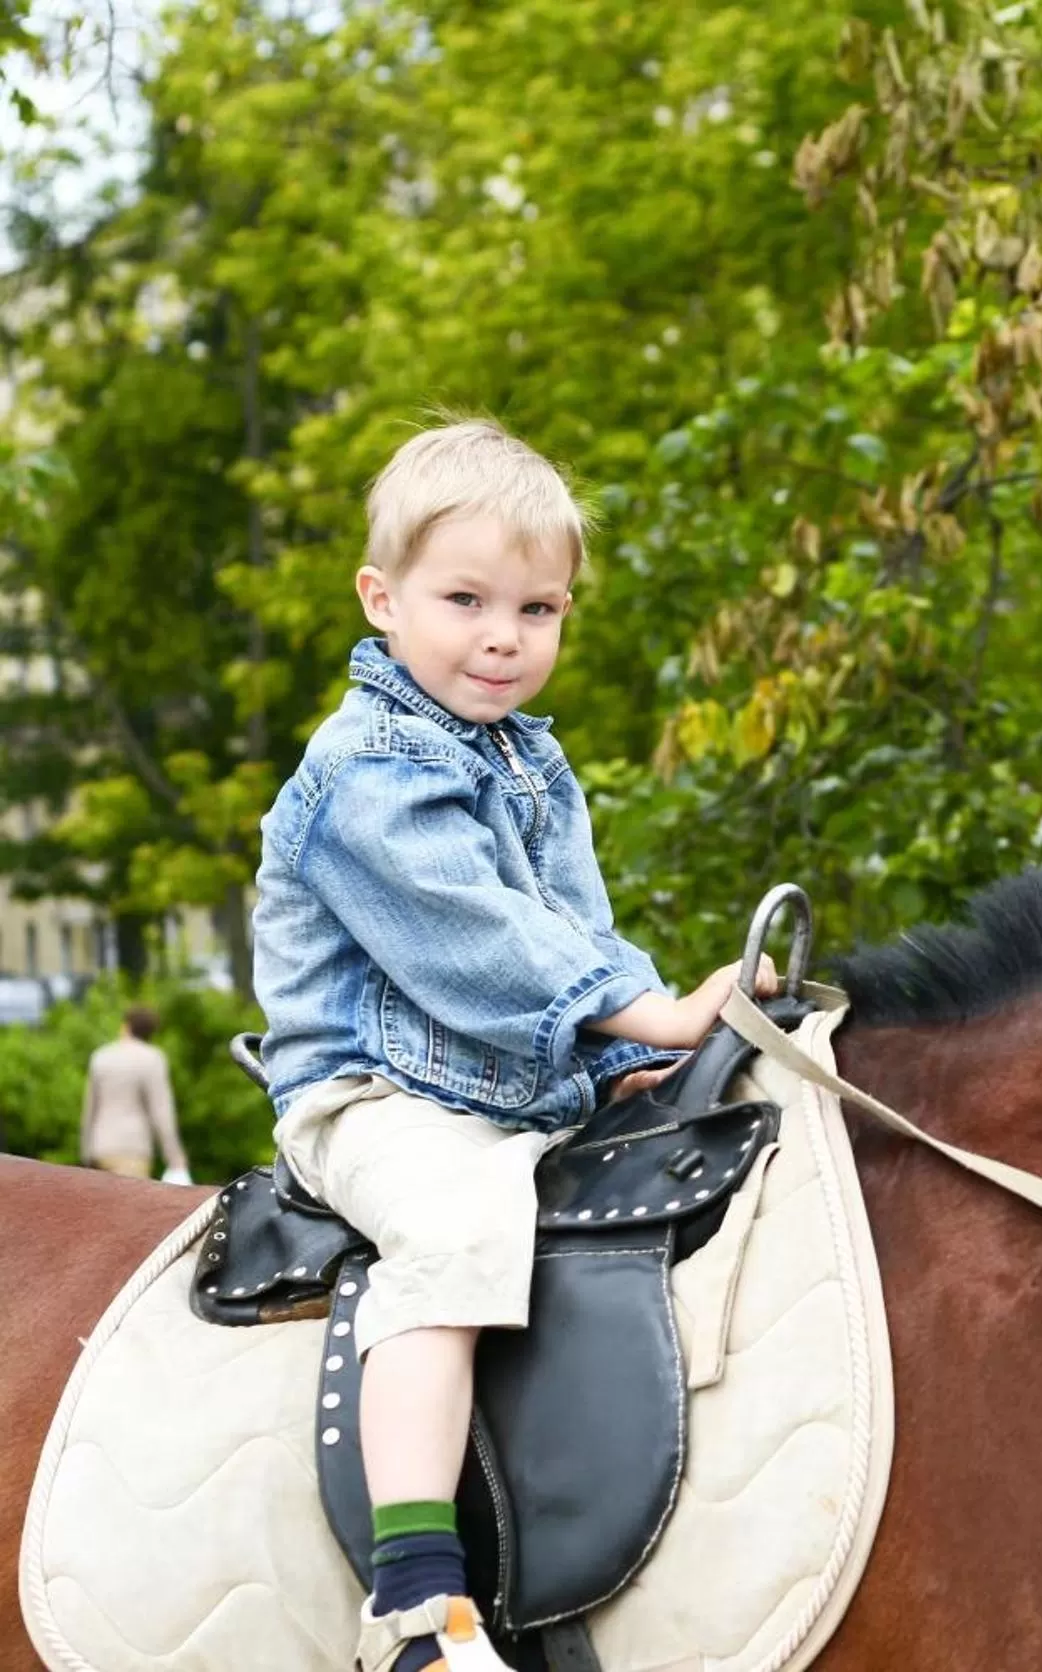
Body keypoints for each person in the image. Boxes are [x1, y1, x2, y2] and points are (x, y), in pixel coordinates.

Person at [251, 418, 774, 1672]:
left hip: (504, 1088)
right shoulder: (366, 765)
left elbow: (570, 924)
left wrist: (618, 1066)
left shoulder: (529, 760)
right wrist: (644, 1008)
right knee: (456, 1230)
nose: (504, 635)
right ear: (382, 600)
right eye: (467, 599)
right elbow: (474, 937)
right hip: (374, 1093)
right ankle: (416, 1596)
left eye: (539, 608)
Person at [80, 1005, 191, 1184]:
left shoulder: (101, 1056)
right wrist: (175, 1157)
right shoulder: (152, 1058)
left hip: (99, 1148)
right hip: (132, 1150)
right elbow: (161, 1112)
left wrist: (85, 1152)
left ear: (126, 1026)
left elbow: (89, 1109)